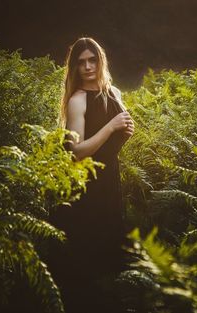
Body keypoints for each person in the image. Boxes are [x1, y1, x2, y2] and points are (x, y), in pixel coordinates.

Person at [49, 37, 134, 313]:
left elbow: (112, 143)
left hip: (109, 181)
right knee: (86, 259)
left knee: (110, 256)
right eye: (81, 62)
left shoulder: (115, 93)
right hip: (86, 188)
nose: (87, 66)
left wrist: (124, 134)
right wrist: (111, 128)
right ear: (74, 67)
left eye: (92, 60)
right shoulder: (77, 101)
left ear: (101, 61)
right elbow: (76, 152)